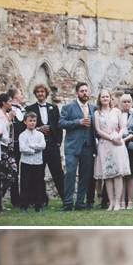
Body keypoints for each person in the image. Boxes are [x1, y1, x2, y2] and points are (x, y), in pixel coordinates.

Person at [58, 82, 96, 211]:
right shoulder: (68, 107)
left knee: (85, 176)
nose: (85, 93)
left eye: (86, 91)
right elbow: (61, 123)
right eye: (82, 91)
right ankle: (68, 202)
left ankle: (80, 202)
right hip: (73, 147)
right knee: (70, 174)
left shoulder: (93, 108)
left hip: (88, 146)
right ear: (77, 93)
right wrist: (77, 122)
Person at [92, 89, 130, 212]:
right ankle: (111, 202)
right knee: (107, 175)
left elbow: (123, 127)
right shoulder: (97, 113)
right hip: (105, 143)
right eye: (103, 97)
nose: (105, 99)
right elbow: (98, 130)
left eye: (107, 96)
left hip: (117, 143)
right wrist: (110, 138)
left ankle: (118, 202)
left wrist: (118, 136)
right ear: (99, 99)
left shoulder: (117, 111)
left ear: (110, 98)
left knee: (118, 174)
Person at [25, 84, 64, 201]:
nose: (40, 94)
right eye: (38, 92)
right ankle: (41, 200)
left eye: (42, 91)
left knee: (58, 172)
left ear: (46, 93)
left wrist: (58, 143)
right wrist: (37, 129)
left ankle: (65, 199)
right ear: (35, 94)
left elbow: (59, 126)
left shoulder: (54, 108)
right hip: (37, 146)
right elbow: (26, 128)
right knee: (38, 174)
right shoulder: (30, 108)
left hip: (52, 145)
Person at [17, 111, 48, 213]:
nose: (32, 123)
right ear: (25, 122)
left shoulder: (40, 135)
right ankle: (23, 205)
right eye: (30, 121)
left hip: (38, 162)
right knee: (25, 183)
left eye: (34, 121)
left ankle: (38, 206)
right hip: (26, 162)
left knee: (38, 184)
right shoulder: (22, 135)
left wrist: (32, 145)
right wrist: (34, 150)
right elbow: (22, 148)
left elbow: (43, 145)